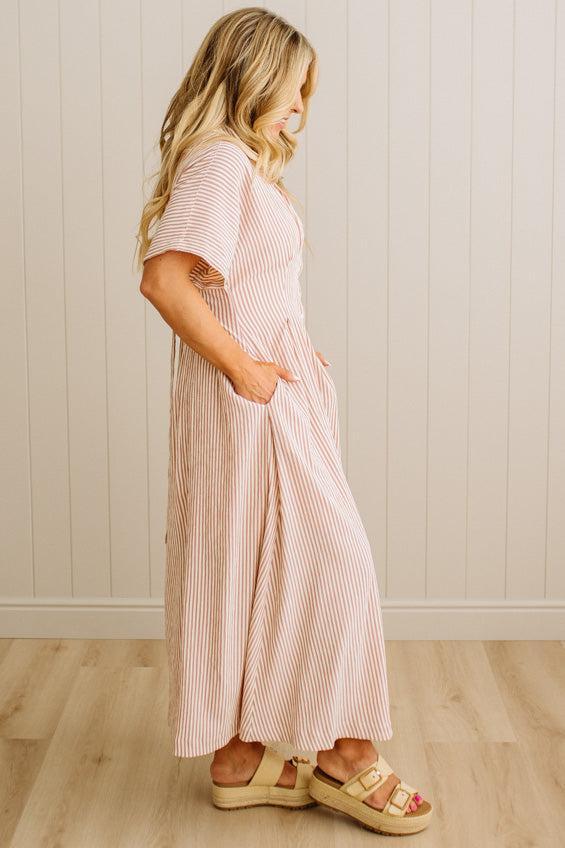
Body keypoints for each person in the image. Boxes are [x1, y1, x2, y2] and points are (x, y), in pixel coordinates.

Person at [136, 6, 432, 837]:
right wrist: (248, 369)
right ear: (256, 75)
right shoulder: (220, 161)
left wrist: (291, 349)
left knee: (257, 559)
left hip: (270, 392)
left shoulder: (240, 166)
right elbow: (165, 280)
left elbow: (242, 285)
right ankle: (344, 754)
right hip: (248, 400)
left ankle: (238, 758)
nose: (301, 104)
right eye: (294, 85)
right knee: (332, 559)